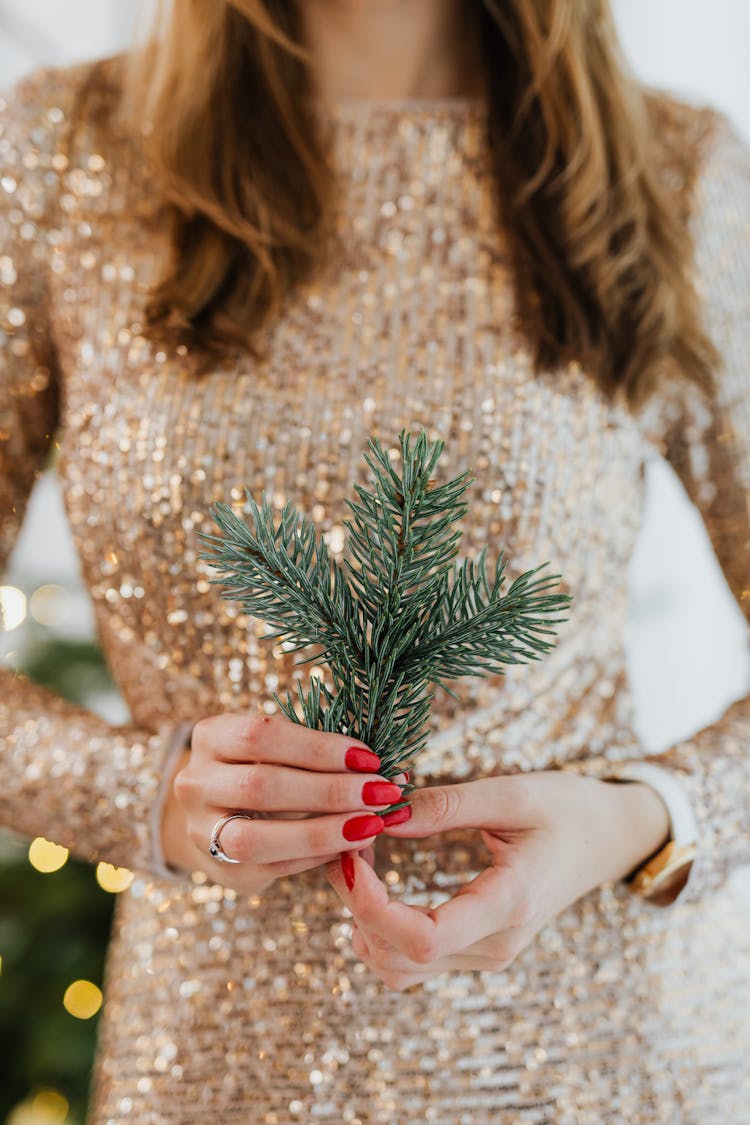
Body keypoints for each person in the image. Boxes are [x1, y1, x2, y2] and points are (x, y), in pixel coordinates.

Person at [1, 0, 748, 1120]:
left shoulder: (669, 169)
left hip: (594, 1052)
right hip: (217, 1058)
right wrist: (135, 794)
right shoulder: (68, 149)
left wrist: (643, 815)